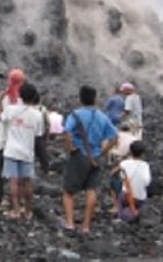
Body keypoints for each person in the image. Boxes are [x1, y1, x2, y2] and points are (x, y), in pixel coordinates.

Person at [62, 85, 118, 234]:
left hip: (80, 154)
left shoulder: (75, 115)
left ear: (80, 98)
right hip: (96, 157)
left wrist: (69, 148)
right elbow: (114, 137)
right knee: (91, 190)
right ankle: (86, 226)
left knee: (68, 191)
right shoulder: (102, 116)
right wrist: (103, 151)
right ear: (95, 98)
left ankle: (70, 223)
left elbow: (67, 132)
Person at [1, 82, 44, 219]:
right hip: (27, 152)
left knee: (13, 182)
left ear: (20, 95)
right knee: (27, 182)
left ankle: (16, 210)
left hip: (11, 150)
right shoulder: (38, 115)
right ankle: (28, 211)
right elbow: (38, 134)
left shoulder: (10, 109)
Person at [0, 69, 25, 210]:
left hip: (0, 142)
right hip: (17, 143)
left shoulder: (2, 97)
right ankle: (15, 204)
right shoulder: (23, 100)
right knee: (16, 175)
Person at [115, 141, 151, 223]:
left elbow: (121, 177)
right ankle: (133, 212)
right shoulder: (145, 165)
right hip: (140, 198)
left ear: (130, 152)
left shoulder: (124, 163)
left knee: (120, 193)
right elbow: (147, 182)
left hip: (126, 196)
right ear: (143, 153)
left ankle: (122, 214)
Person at [108, 123, 137, 214]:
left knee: (114, 184)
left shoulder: (116, 136)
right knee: (128, 184)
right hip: (129, 163)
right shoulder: (134, 139)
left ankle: (116, 206)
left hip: (116, 159)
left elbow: (109, 146)